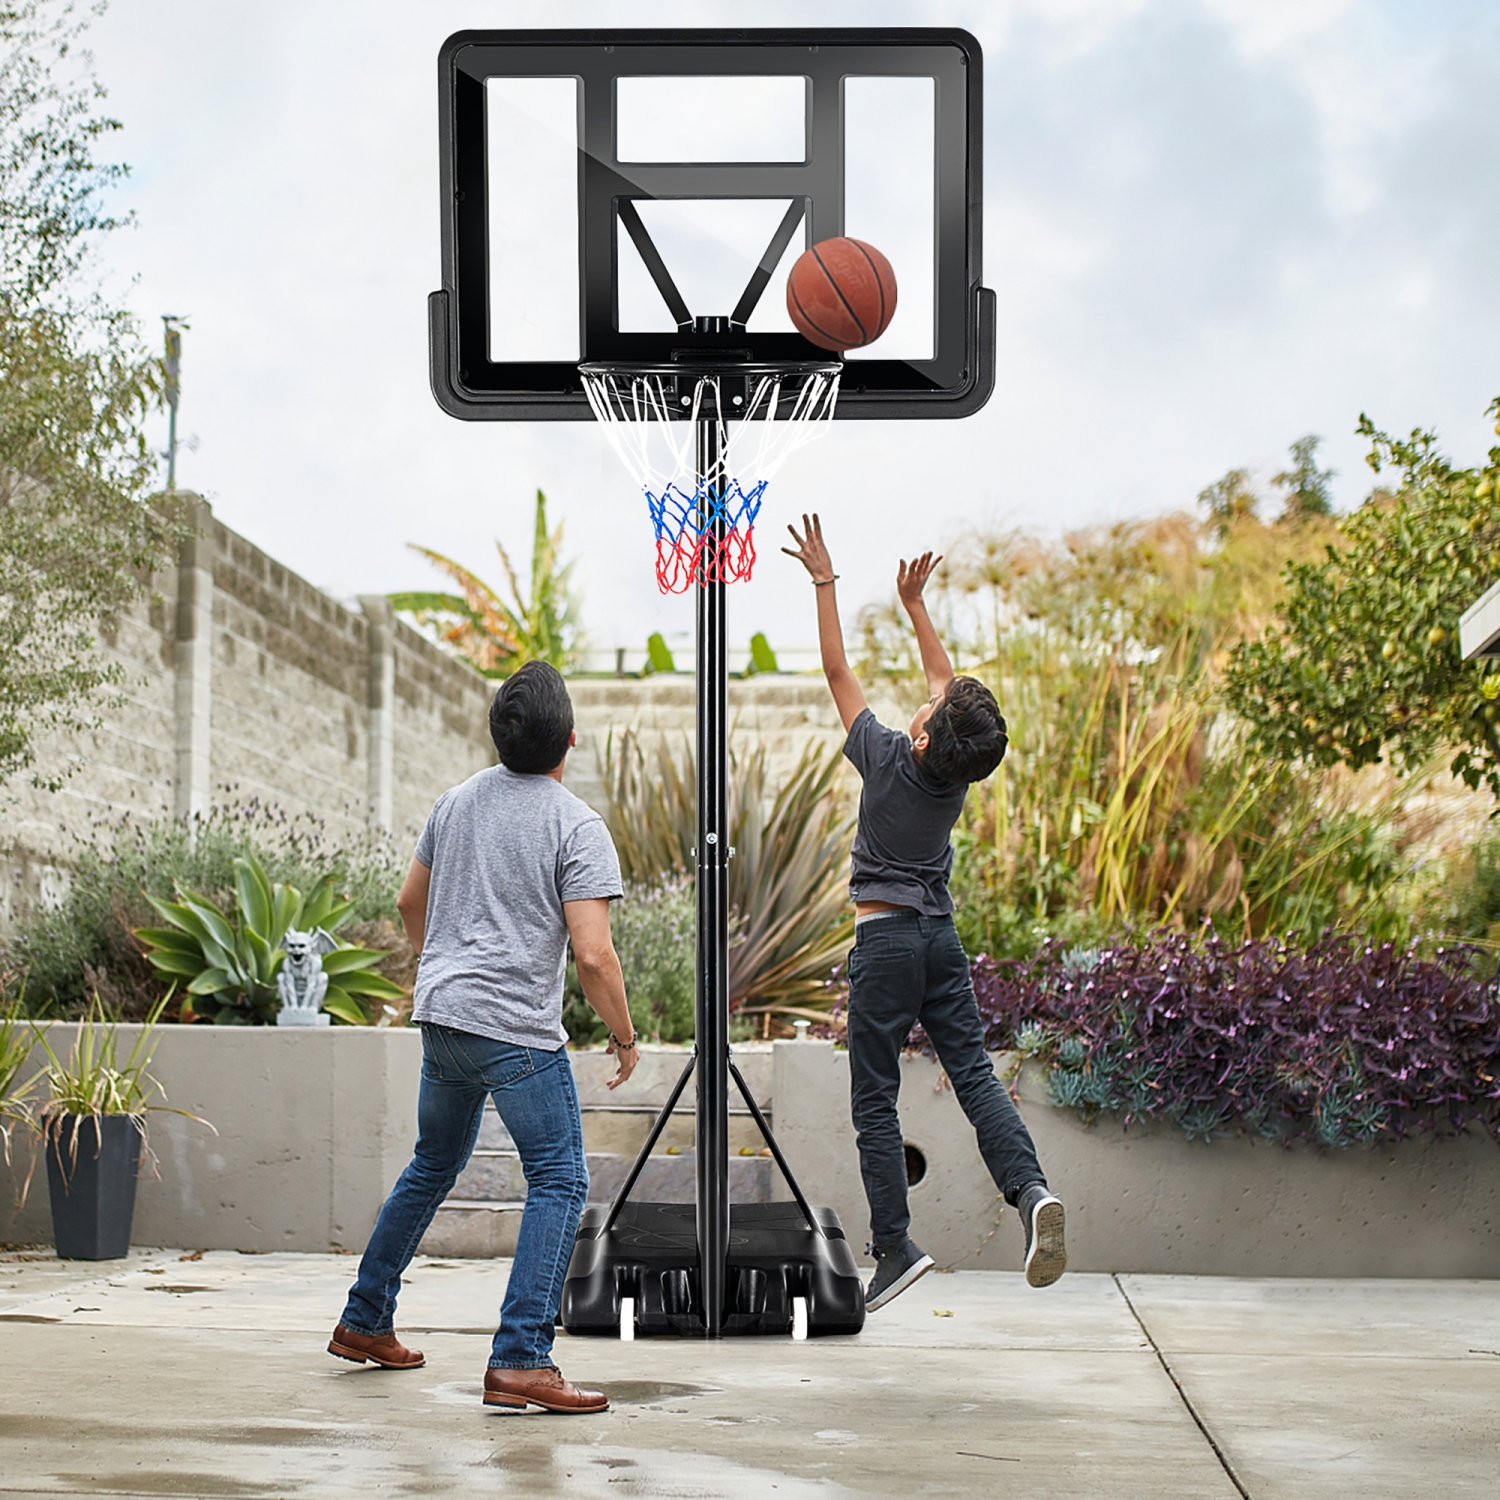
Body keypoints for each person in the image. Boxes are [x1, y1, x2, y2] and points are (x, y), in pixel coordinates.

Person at [328, 661, 639, 1412]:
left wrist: (438, 969)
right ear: (569, 740)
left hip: (443, 1017)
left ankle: (365, 1318)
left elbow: (410, 902)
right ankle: (522, 1358)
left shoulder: (456, 801)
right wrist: (625, 1037)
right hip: (516, 1033)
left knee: (433, 1162)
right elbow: (594, 954)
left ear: (500, 735)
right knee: (561, 1181)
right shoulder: (575, 824)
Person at [783, 515, 1066, 1311]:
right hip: (941, 940)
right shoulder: (955, 774)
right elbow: (946, 687)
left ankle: (895, 1247)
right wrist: (916, 608)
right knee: (973, 1072)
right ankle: (1031, 1192)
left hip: (884, 944)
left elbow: (837, 668)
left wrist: (825, 580)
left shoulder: (883, 758)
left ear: (922, 729)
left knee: (874, 1097)